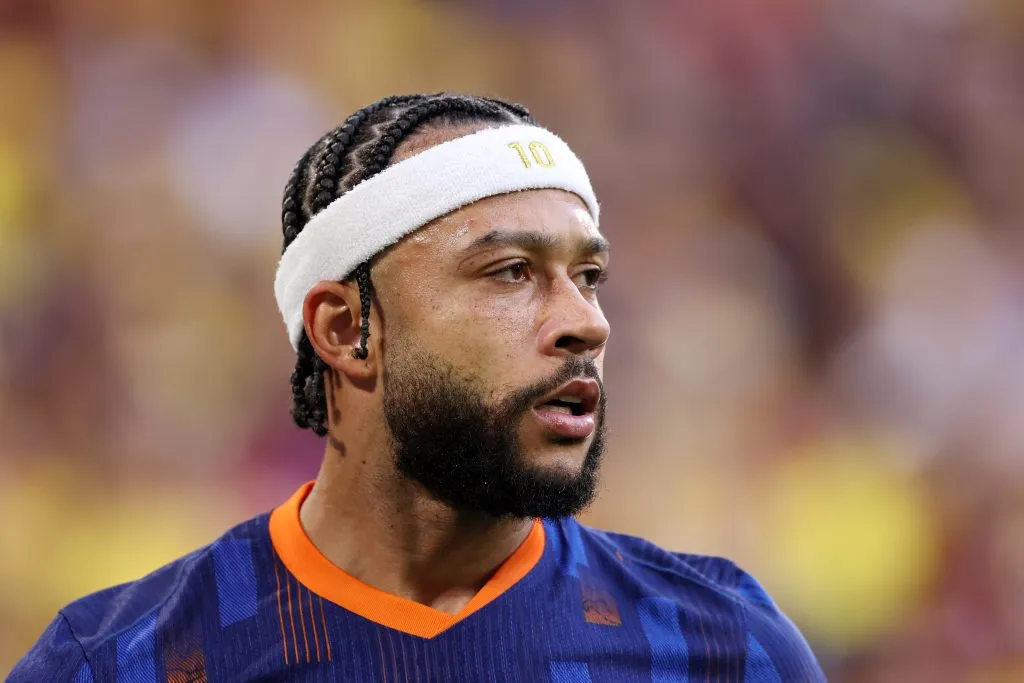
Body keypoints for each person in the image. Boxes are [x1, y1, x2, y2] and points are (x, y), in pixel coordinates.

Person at [10, 93, 825, 682]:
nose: (586, 322)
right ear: (343, 329)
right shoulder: (119, 662)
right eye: (510, 272)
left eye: (588, 275)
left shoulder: (726, 647)